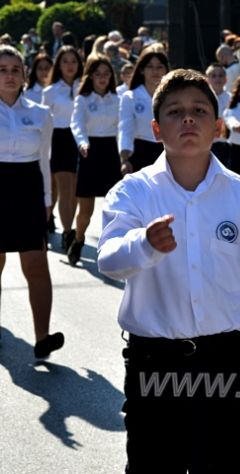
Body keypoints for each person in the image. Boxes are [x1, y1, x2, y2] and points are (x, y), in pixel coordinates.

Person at [97, 68, 240, 473]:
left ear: (218, 126)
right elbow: (108, 258)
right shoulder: (133, 191)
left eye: (198, 110)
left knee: (220, 462)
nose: (188, 119)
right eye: (175, 112)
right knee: (153, 463)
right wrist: (144, 244)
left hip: (225, 358)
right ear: (157, 130)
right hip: (155, 358)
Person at [0, 45, 63, 359]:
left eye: (15, 69)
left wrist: (47, 201)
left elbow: (44, 160)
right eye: (2, 70)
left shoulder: (40, 112)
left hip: (27, 190)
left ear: (24, 75)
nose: (10, 76)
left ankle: (42, 338)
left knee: (37, 265)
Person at [68, 54, 121, 266]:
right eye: (97, 74)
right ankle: (78, 239)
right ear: (90, 76)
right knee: (86, 210)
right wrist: (82, 142)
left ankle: (113, 248)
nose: (102, 78)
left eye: (106, 74)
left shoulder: (117, 99)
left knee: (115, 207)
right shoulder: (82, 99)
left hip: (110, 152)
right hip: (89, 152)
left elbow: (122, 127)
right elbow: (76, 124)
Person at [42, 45, 83, 250]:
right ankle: (68, 232)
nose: (70, 66)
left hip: (81, 139)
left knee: (76, 190)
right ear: (59, 65)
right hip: (59, 139)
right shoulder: (50, 91)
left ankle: (71, 228)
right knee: (65, 188)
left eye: (74, 61)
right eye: (65, 61)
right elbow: (44, 122)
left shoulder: (85, 87)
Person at [118, 46, 168, 174]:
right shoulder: (130, 97)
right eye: (150, 67)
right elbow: (125, 128)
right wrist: (124, 158)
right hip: (140, 151)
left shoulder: (173, 97)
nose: (155, 71)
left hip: (168, 153)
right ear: (141, 70)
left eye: (159, 67)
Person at [205, 62, 232, 167]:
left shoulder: (231, 99)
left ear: (225, 79)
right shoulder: (202, 98)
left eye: (221, 76)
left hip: (225, 143)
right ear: (207, 79)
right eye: (213, 76)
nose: (217, 79)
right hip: (207, 143)